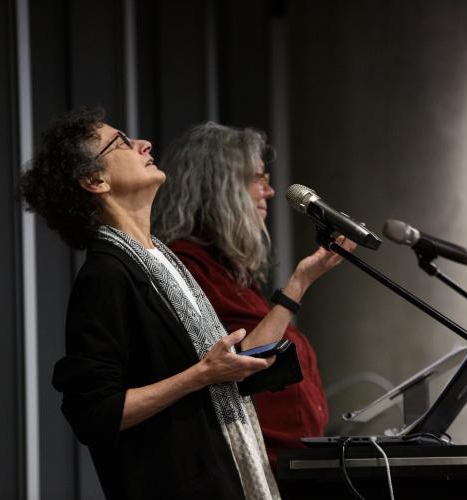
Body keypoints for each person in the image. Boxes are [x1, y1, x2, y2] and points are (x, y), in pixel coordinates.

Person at [19, 107, 284, 500]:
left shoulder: (161, 258)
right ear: (95, 180)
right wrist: (202, 374)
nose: (144, 144)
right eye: (122, 142)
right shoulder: (105, 275)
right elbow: (94, 413)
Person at [152, 122, 356, 469]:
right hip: (251, 468)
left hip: (289, 465)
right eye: (258, 179)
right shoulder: (187, 265)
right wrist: (299, 283)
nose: (270, 191)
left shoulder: (230, 272)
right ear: (222, 187)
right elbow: (242, 362)